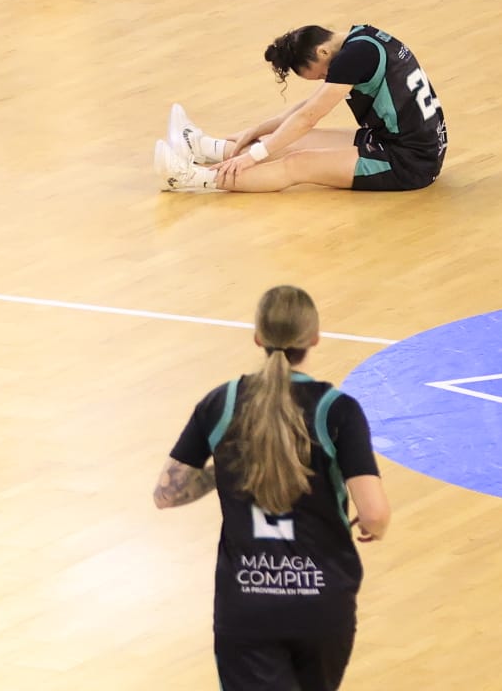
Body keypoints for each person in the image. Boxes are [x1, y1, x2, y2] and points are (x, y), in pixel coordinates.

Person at [155, 285, 391, 691]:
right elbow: (374, 513)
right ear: (314, 338)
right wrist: (374, 528)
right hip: (323, 600)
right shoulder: (338, 410)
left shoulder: (222, 402)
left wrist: (225, 468)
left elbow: (167, 494)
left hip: (248, 602)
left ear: (257, 338)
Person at [156, 23, 447, 193]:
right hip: (392, 140)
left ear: (323, 51)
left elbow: (309, 117)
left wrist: (254, 156)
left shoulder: (352, 59)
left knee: (298, 163)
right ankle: (201, 147)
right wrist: (256, 132)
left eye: (322, 74)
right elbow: (307, 107)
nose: (325, 79)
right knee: (293, 140)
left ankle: (191, 178)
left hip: (411, 162)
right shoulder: (362, 38)